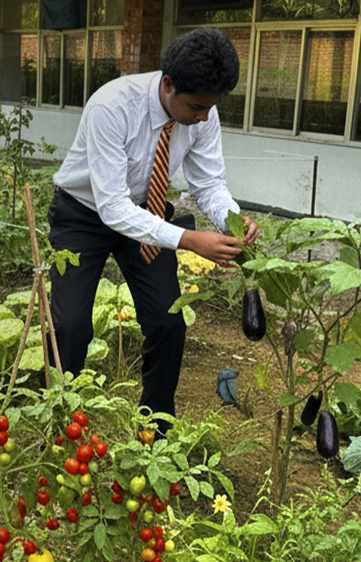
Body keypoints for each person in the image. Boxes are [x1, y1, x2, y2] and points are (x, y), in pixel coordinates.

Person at [48, 28, 259, 428]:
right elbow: (111, 207)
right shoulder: (111, 107)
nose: (201, 117)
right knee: (71, 324)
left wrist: (233, 220)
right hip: (84, 213)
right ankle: (62, 423)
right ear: (167, 84)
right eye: (195, 107)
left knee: (167, 322)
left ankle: (156, 427)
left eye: (208, 109)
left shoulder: (203, 114)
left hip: (148, 211)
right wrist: (190, 240)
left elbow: (208, 184)